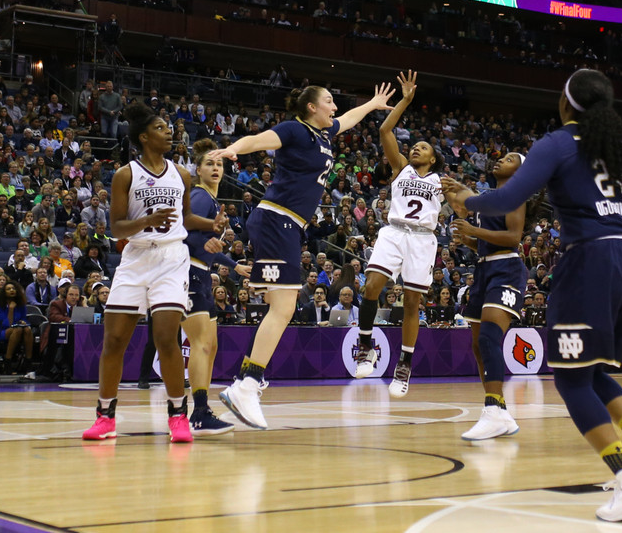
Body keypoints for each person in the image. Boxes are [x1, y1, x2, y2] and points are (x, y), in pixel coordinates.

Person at [444, 69, 622, 522]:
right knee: (591, 373)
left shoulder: (557, 142)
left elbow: (508, 197)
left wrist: (466, 201)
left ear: (566, 103)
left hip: (593, 261)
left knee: (570, 379)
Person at [213, 81, 395, 430]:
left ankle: (245, 383)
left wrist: (372, 103)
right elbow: (258, 140)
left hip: (285, 226)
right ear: (311, 107)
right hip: (276, 219)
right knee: (284, 307)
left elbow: (351, 119)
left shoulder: (324, 135)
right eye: (328, 100)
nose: (333, 106)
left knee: (278, 308)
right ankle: (248, 385)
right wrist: (233, 149)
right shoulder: (295, 129)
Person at [82, 102, 226, 443]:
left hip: (171, 259)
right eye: (161, 128)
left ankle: (178, 415)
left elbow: (186, 218)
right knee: (114, 340)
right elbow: (115, 228)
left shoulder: (182, 174)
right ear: (145, 137)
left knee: (166, 337)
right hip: (135, 258)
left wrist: (212, 224)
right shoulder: (125, 175)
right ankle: (105, 417)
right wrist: (147, 220)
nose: (170, 132)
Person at [353, 71, 445, 398]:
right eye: (415, 146)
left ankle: (404, 365)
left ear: (433, 158)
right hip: (393, 231)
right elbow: (384, 129)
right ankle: (366, 346)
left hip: (422, 238)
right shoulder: (401, 168)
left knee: (411, 302)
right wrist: (406, 100)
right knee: (372, 286)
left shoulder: (442, 182)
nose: (416, 149)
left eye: (423, 147)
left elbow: (463, 205)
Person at [444, 151, 528, 440]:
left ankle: (492, 410)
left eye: (509, 159)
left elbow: (514, 237)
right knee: (479, 345)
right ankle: (501, 413)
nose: (500, 160)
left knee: (491, 337)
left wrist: (474, 230)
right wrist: (466, 238)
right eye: (500, 158)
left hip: (506, 269)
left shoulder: (516, 195)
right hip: (483, 271)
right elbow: (483, 239)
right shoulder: (488, 199)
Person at [183, 138, 252, 435]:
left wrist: (233, 264)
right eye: (209, 163)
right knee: (201, 344)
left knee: (210, 347)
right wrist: (208, 243)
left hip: (201, 275)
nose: (215, 167)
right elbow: (184, 234)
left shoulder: (211, 200)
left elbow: (203, 241)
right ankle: (198, 413)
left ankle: (203, 409)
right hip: (187, 273)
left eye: (219, 163)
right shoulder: (199, 197)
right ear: (198, 169)